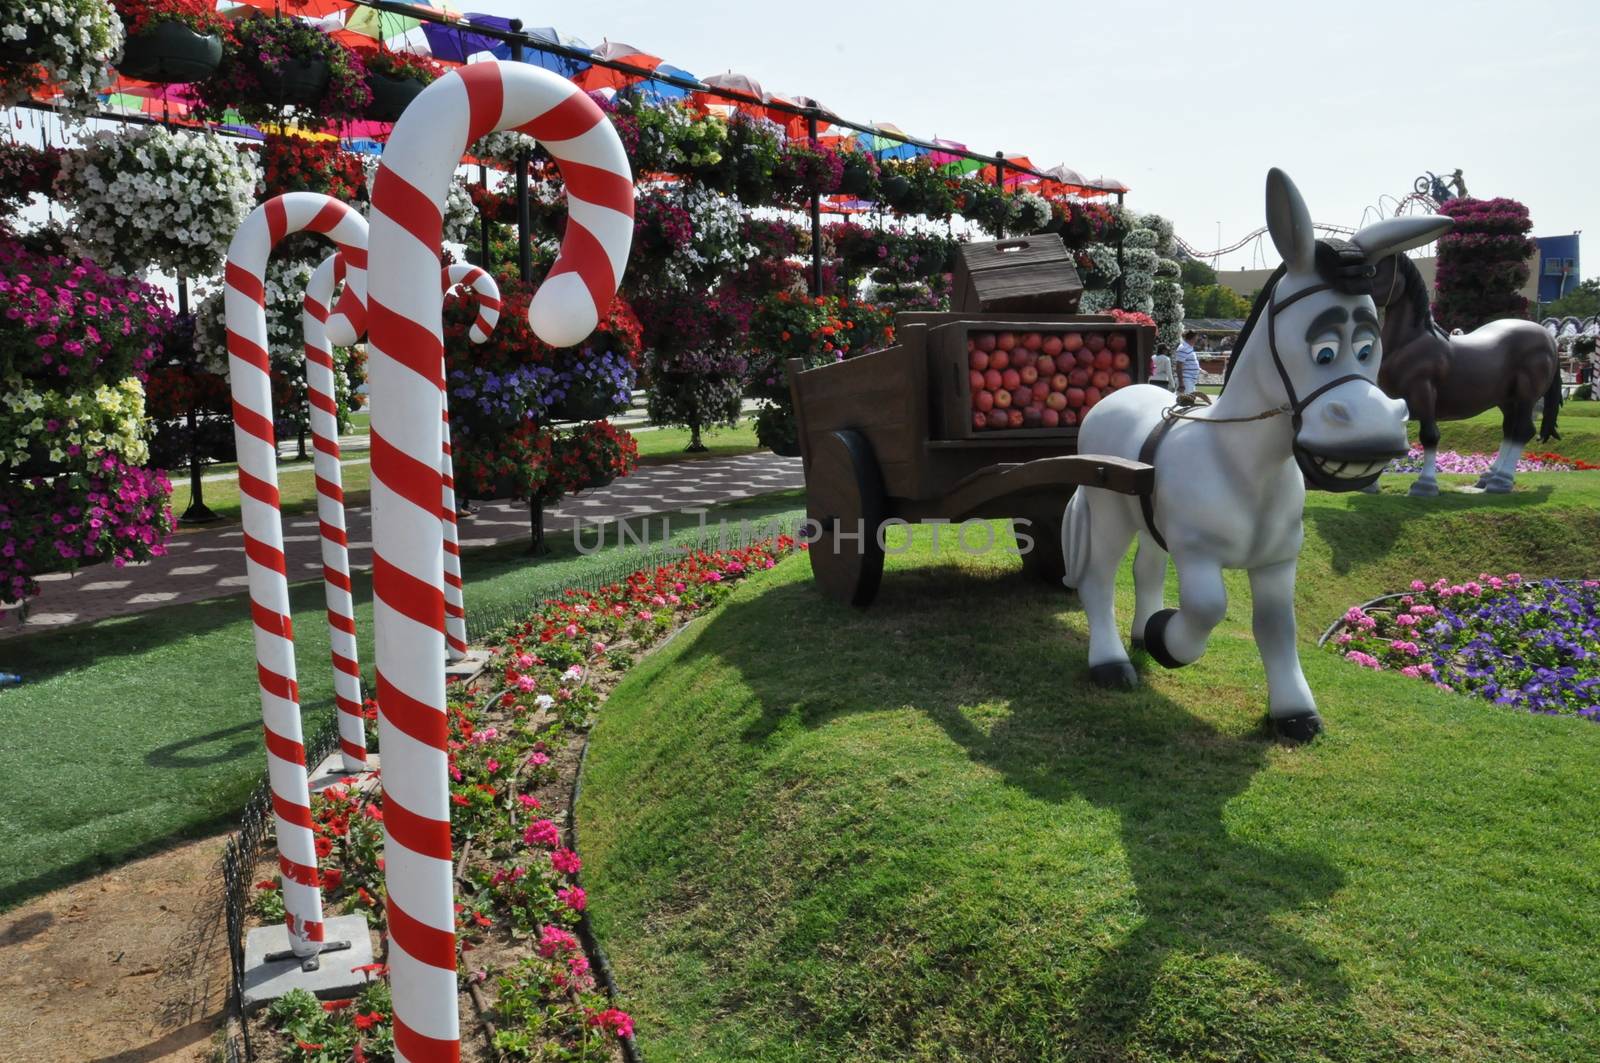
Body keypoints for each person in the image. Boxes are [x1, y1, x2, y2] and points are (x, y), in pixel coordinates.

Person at [1174, 330, 1201, 394]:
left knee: (1188, 402)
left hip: (1190, 380)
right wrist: (1181, 383)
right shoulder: (1183, 348)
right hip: (1186, 380)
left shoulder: (1189, 347)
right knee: (1185, 402)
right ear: (1192, 338)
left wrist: (1200, 369)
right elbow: (1178, 366)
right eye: (1196, 338)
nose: (1197, 340)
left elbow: (1189, 363)